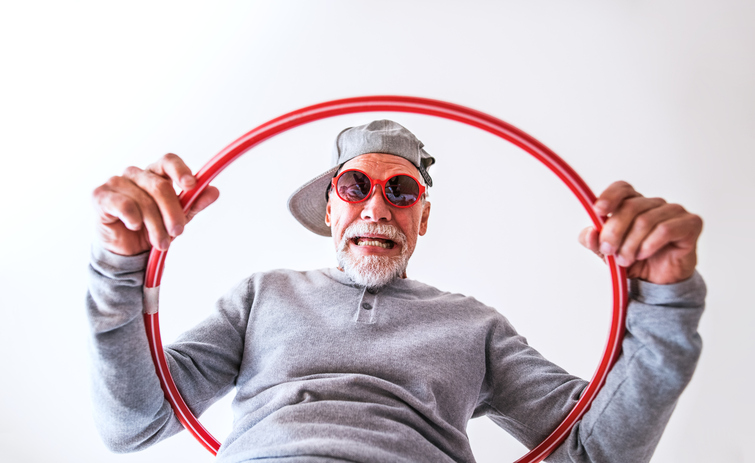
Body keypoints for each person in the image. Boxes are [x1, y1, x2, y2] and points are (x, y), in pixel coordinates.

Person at [87, 120, 705, 462]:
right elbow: (135, 424)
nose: (377, 206)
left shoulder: (474, 326)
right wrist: (121, 269)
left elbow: (593, 452)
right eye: (355, 187)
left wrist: (664, 307)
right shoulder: (261, 296)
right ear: (331, 211)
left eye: (402, 192)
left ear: (422, 219)